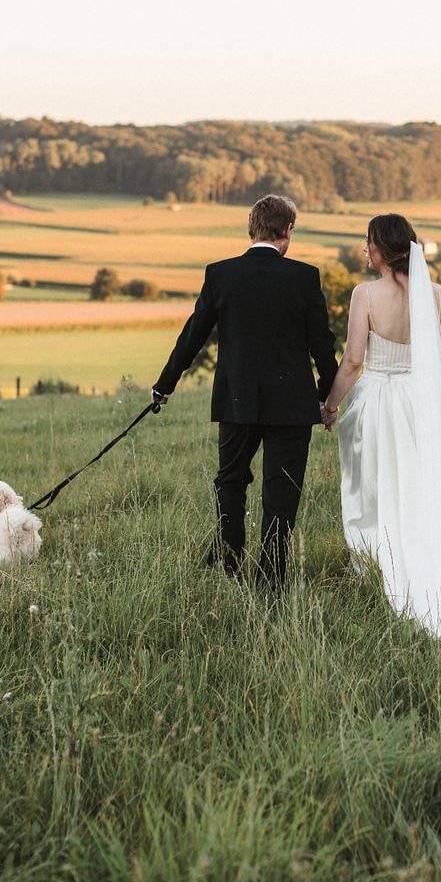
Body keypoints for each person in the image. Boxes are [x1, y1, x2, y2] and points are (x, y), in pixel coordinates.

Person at [321, 213, 441, 698]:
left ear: (381, 249)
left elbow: (353, 360)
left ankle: (376, 563)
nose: (365, 251)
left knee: (372, 486)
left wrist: (330, 403)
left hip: (377, 403)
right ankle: (417, 554)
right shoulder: (437, 295)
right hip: (416, 406)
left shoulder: (365, 295)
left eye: (368, 243)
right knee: (414, 486)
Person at [151, 194, 338, 588]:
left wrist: (164, 385)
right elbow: (321, 344)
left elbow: (192, 337)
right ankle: (270, 580)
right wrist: (326, 395)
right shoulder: (304, 277)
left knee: (230, 479)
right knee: (281, 492)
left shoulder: (221, 274)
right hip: (291, 405)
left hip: (236, 400)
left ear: (251, 229)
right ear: (287, 230)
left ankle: (229, 556)